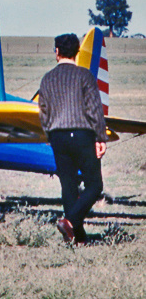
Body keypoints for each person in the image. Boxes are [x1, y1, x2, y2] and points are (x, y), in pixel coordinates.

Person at [37, 33, 107, 244]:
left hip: (58, 136)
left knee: (68, 186)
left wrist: (49, 133)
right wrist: (101, 137)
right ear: (77, 53)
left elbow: (43, 112)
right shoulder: (85, 76)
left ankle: (78, 238)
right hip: (82, 135)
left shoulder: (47, 79)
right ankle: (70, 222)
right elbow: (95, 109)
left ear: (56, 52)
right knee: (94, 185)